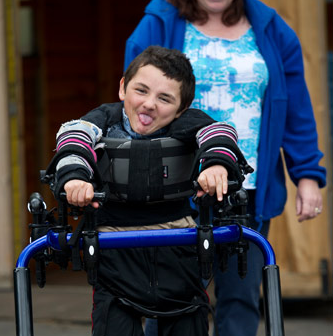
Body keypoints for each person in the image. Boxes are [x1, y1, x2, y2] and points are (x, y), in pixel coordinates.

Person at [124, 0, 327, 336]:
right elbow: (132, 101)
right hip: (175, 190)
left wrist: (307, 176)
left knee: (240, 300)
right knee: (171, 301)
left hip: (245, 191)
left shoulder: (270, 29)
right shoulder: (159, 22)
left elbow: (296, 110)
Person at [45, 45, 251, 336]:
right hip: (114, 248)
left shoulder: (187, 122)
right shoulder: (104, 120)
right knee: (112, 326)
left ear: (180, 109)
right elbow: (73, 136)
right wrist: (75, 179)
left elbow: (219, 133)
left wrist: (216, 166)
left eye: (164, 98)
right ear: (122, 88)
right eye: (140, 91)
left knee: (189, 322)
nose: (149, 104)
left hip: (177, 242)